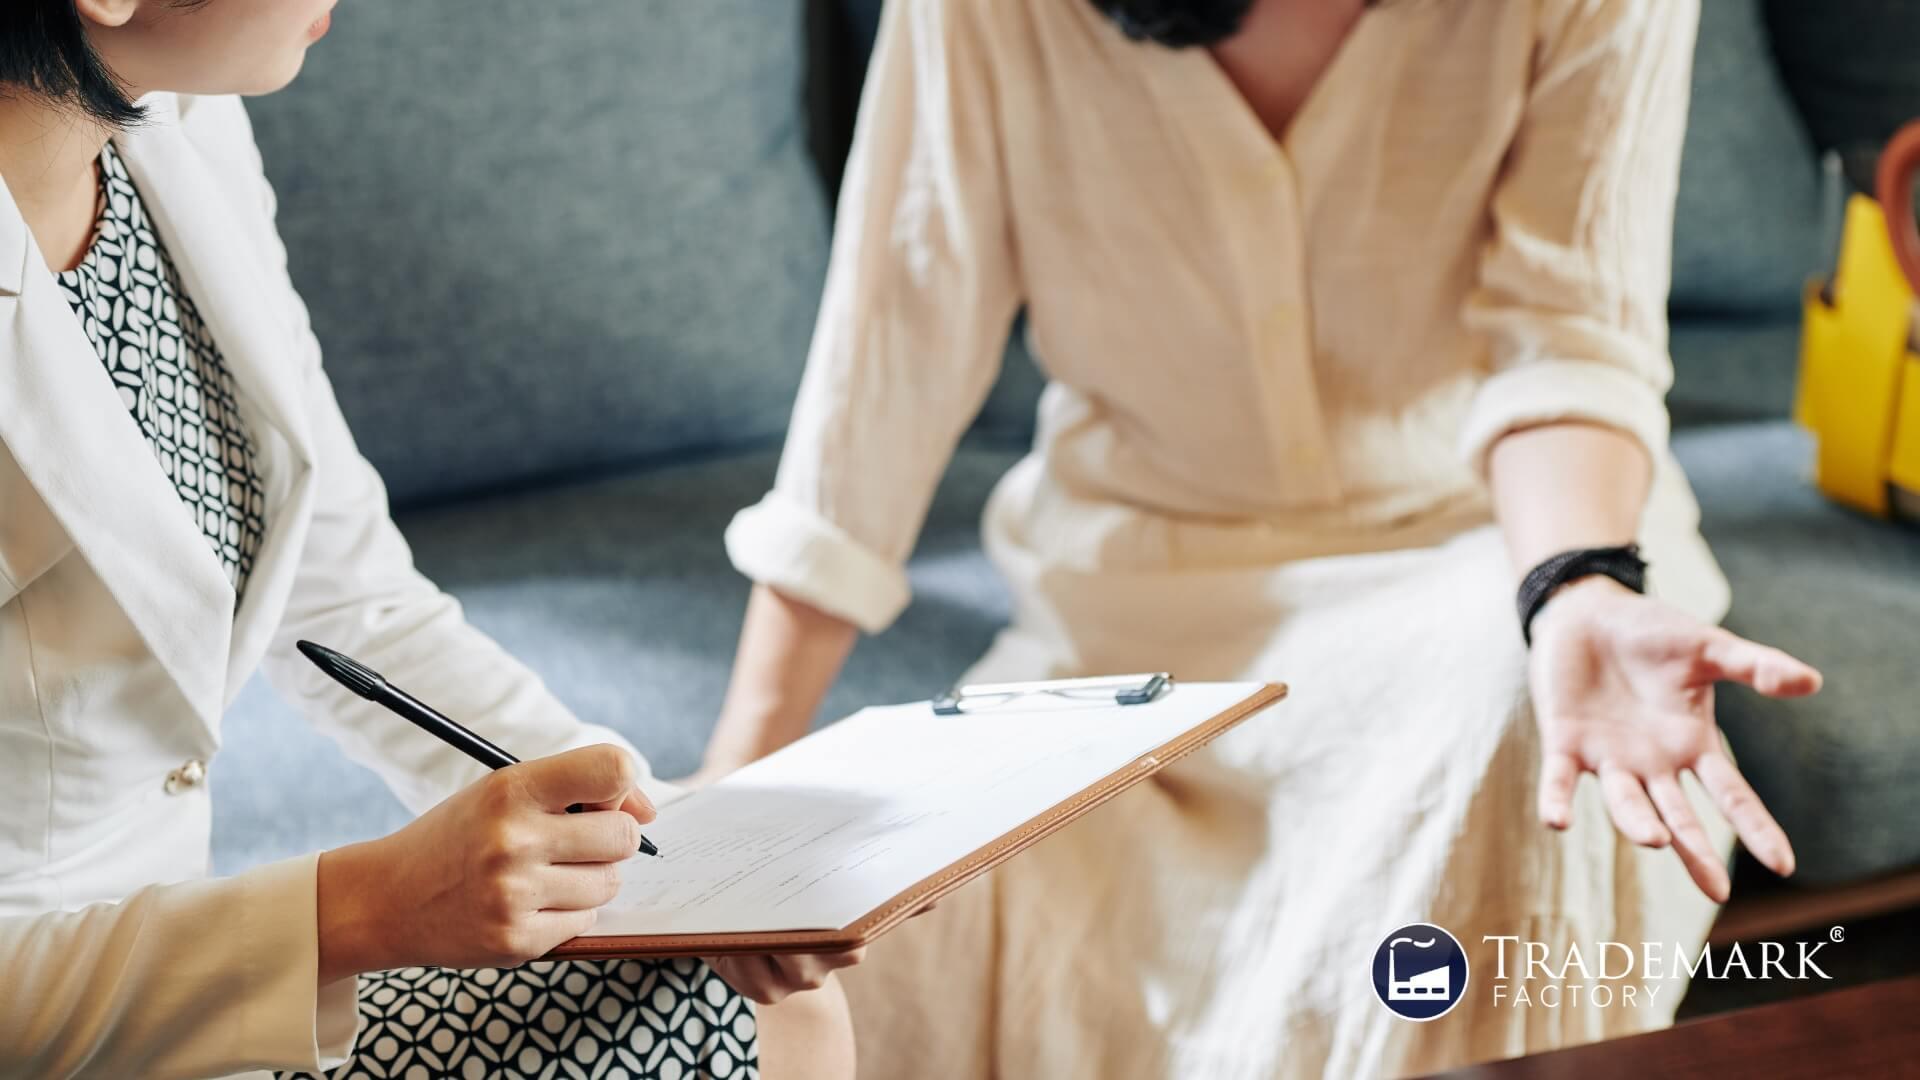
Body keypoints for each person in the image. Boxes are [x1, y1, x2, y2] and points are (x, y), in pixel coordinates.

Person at [699, 0, 1825, 1076]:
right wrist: (739, 784)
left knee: (1535, 731)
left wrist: (1574, 588)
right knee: (878, 956)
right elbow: (894, 344)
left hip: (1475, 559)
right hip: (1129, 618)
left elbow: (1565, 334)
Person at [0, 1, 863, 1077]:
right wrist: (361, 908)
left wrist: (662, 842)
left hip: (174, 992)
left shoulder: (170, 123)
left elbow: (346, 597)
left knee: (755, 999)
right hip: (63, 1020)